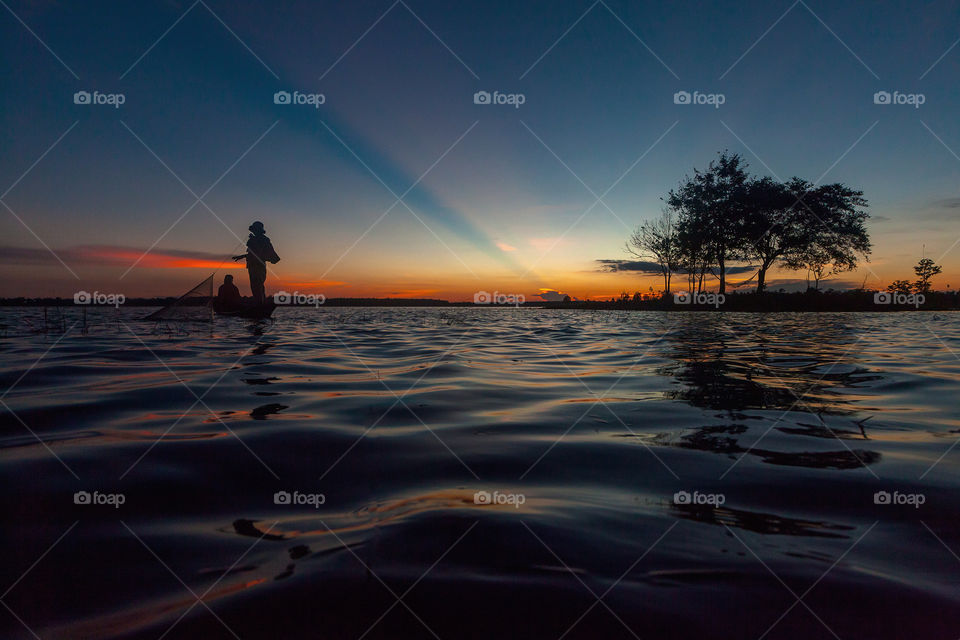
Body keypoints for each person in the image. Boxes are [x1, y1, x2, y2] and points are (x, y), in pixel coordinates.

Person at [233, 221, 280, 304]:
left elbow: (260, 253)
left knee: (257, 285)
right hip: (252, 265)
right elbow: (252, 254)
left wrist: (253, 241)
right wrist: (242, 256)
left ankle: (260, 304)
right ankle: (260, 303)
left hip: (258, 266)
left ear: (258, 230)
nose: (253, 231)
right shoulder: (255, 239)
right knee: (256, 286)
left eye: (255, 230)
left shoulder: (264, 240)